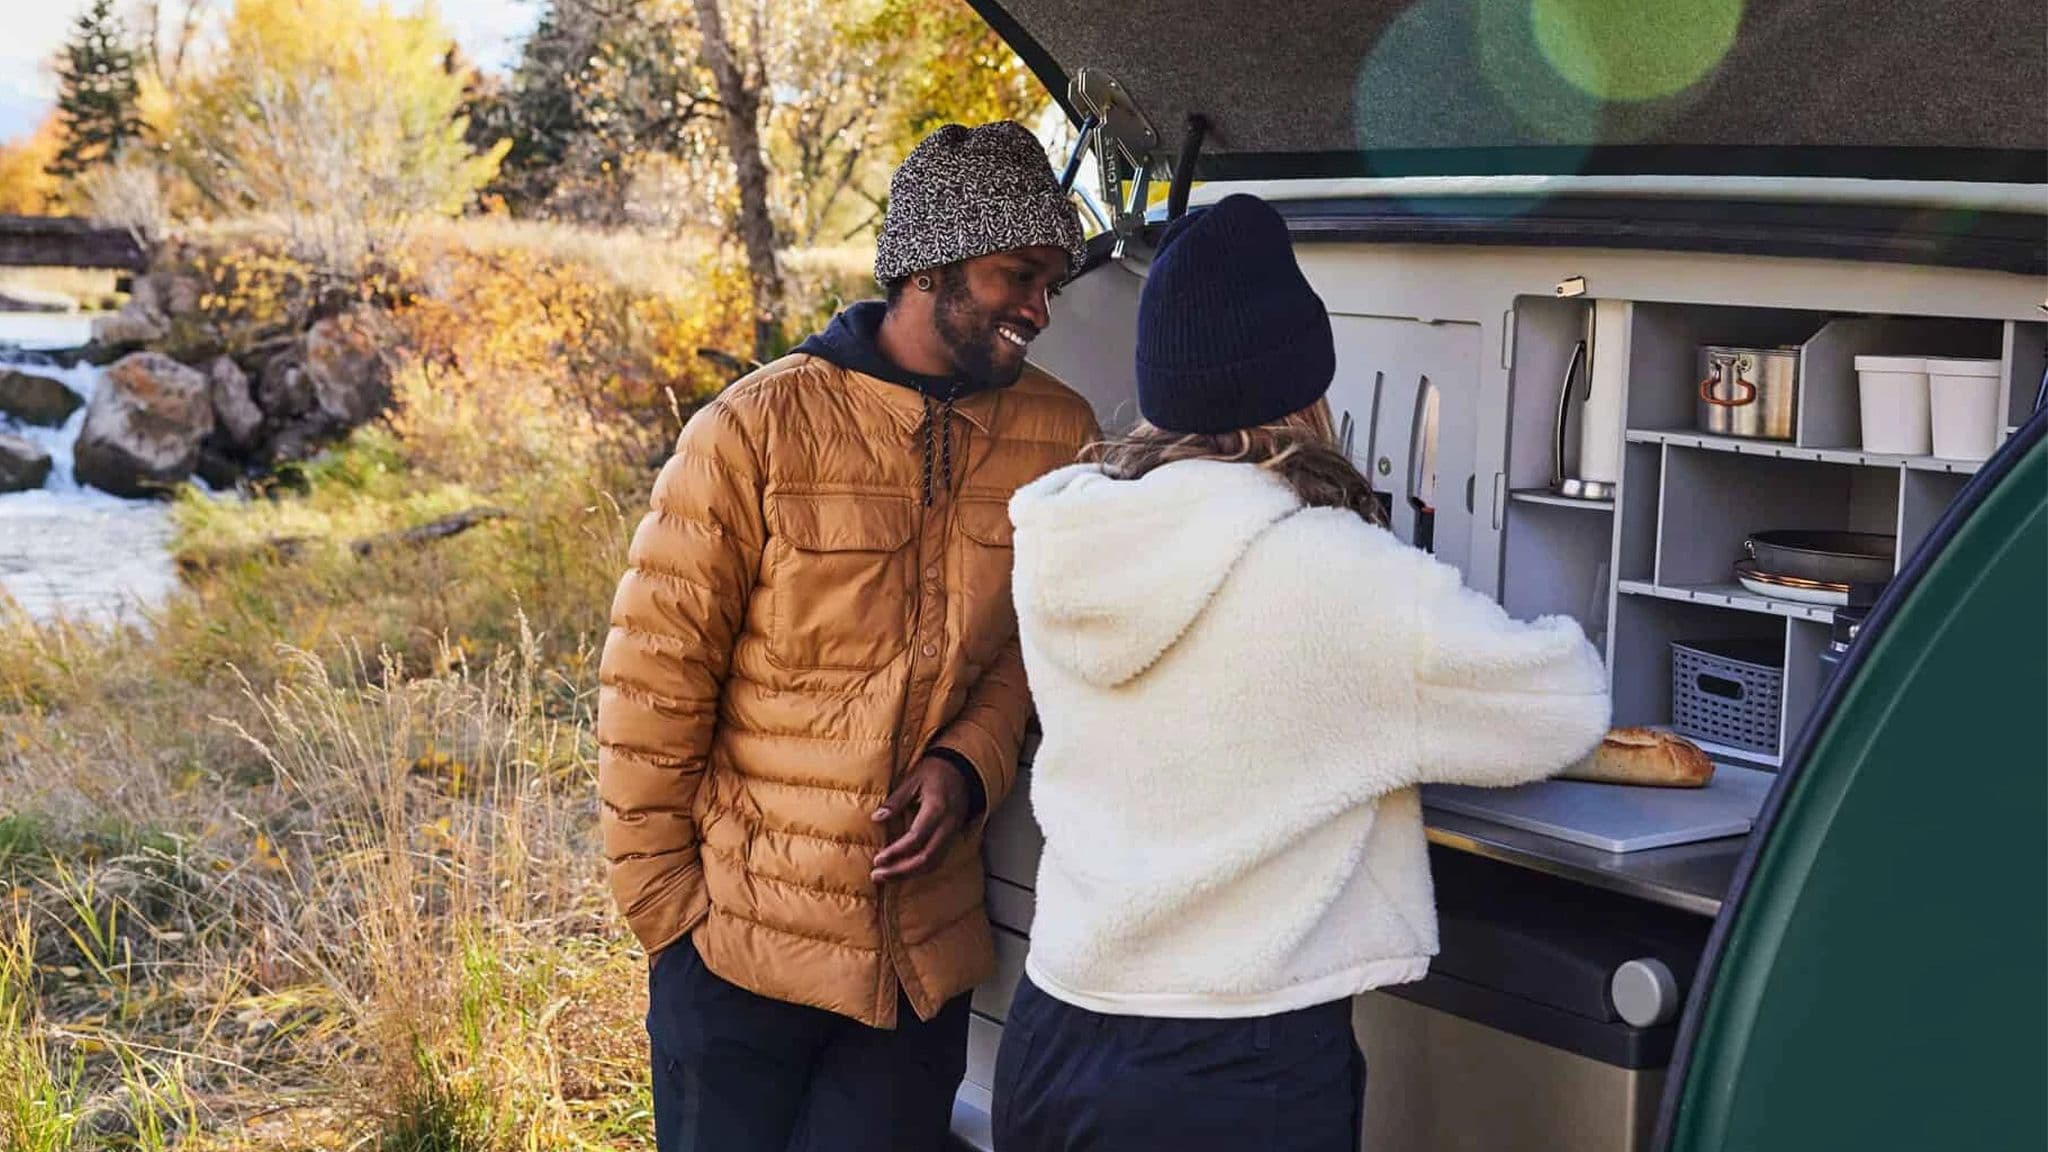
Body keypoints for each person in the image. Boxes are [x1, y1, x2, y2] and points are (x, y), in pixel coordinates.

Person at [991, 193, 1612, 1151]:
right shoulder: (1340, 575)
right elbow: (1559, 705)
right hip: (1234, 1070)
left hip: (1059, 1029)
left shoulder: (1068, 537)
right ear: (1302, 384)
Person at [597, 120, 1099, 1152]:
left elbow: (1036, 649)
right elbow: (651, 690)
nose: (1040, 311)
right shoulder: (754, 428)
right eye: (1019, 276)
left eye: (1051, 283)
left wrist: (967, 763)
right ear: (934, 264)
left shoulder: (1061, 433)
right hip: (735, 958)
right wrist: (669, 921)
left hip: (919, 965)